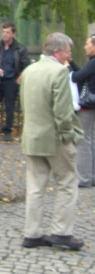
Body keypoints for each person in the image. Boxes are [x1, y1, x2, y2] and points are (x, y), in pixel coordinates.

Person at [20, 33, 84, 250]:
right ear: (57, 51)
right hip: (55, 139)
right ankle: (62, 231)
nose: (69, 55)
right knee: (67, 183)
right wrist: (69, 136)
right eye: (68, 51)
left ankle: (32, 233)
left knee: (36, 186)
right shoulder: (59, 72)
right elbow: (63, 112)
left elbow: (24, 105)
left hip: (32, 137)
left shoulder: (29, 71)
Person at [0, 22, 30, 141]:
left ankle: (7, 132)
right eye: (3, 32)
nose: (5, 35)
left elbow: (26, 66)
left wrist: (19, 79)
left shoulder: (20, 49)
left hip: (11, 81)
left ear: (13, 34)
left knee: (10, 108)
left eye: (7, 32)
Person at [71, 35, 95, 187]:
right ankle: (91, 176)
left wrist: (68, 69)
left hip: (88, 106)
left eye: (88, 44)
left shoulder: (93, 62)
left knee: (84, 140)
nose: (85, 47)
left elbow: (77, 77)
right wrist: (72, 63)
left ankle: (85, 177)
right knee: (91, 140)